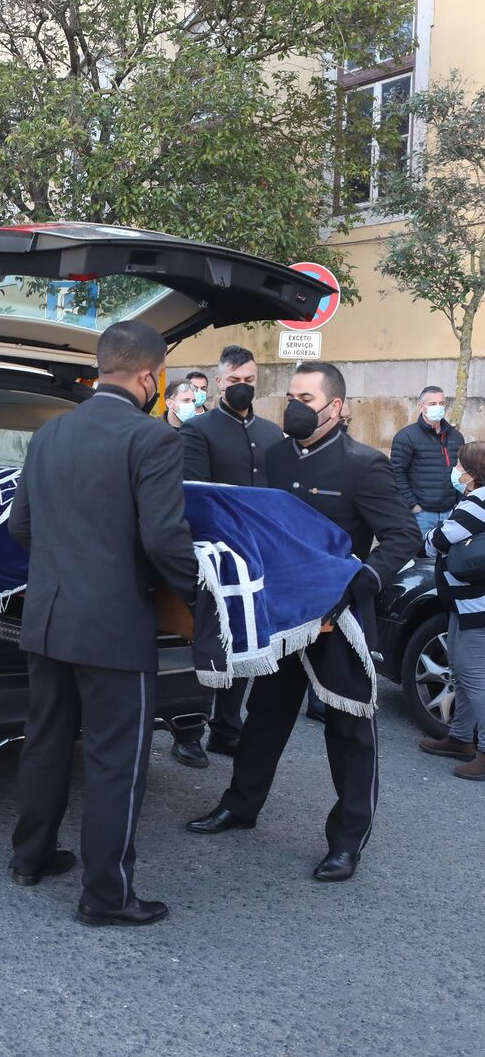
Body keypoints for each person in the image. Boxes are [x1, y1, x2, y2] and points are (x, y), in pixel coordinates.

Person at [187, 361, 419, 882]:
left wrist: (357, 583)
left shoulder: (365, 465)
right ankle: (240, 806)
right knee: (266, 716)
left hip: (337, 619)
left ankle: (346, 841)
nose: (294, 405)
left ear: (335, 408)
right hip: (282, 616)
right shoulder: (273, 455)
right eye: (290, 394)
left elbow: (404, 535)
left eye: (306, 397)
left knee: (348, 728)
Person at [8, 321, 198, 928]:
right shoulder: (155, 440)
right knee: (118, 760)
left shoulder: (51, 433)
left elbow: (20, 527)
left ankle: (30, 856)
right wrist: (199, 595)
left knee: (45, 741)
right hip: (114, 626)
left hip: (48, 616)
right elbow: (165, 538)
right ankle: (106, 895)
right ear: (150, 377)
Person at [173, 344, 284, 768]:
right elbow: (195, 494)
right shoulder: (198, 431)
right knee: (207, 640)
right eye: (235, 381)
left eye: (249, 380)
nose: (242, 387)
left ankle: (226, 728)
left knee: (245, 639)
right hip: (214, 554)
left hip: (257, 555)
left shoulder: (273, 434)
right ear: (220, 382)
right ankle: (189, 731)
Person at [419, 442, 485, 780]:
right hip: (466, 603)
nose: (455, 472)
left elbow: (437, 541)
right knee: (461, 671)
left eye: (459, 466)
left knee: (475, 678)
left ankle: (483, 751)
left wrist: (430, 536)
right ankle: (460, 738)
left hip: (476, 605)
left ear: (472, 474)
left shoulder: (478, 502)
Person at [391, 386, 465, 539]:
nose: (438, 407)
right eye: (432, 404)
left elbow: (462, 471)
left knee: (448, 559)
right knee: (423, 559)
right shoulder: (406, 436)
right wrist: (413, 506)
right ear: (421, 407)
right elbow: (397, 472)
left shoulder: (456, 436)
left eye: (442, 403)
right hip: (422, 514)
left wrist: (459, 503)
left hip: (451, 512)